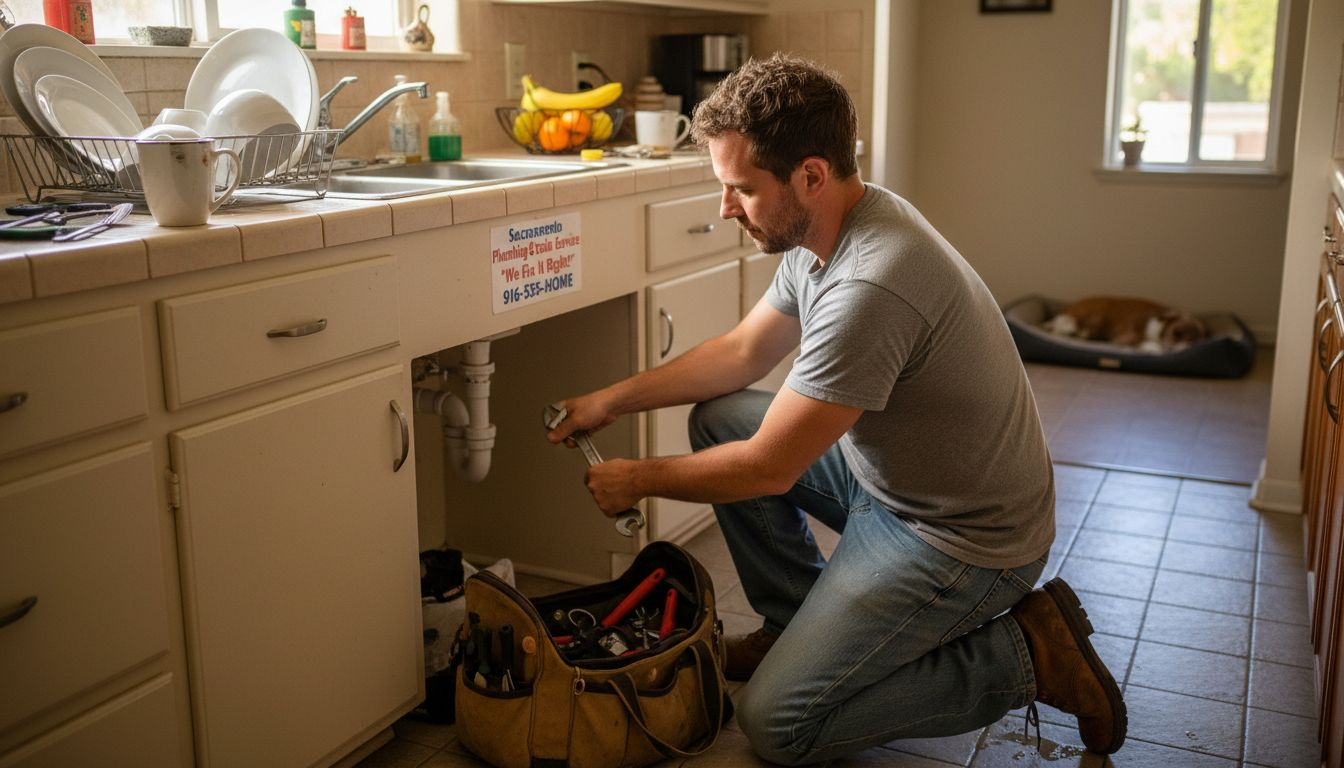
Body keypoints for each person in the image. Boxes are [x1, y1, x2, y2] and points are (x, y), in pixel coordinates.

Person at [545, 53, 1125, 764]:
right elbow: (742, 353)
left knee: (777, 725)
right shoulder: (828, 225)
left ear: (810, 175)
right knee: (718, 416)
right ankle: (792, 625)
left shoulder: (873, 284)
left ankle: (1025, 655)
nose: (726, 208)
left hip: (960, 539)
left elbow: (766, 468)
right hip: (890, 482)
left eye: (741, 189)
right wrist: (612, 398)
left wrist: (635, 479)